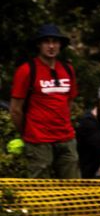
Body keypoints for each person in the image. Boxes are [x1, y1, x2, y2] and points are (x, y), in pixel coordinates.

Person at [9, 24, 79, 178]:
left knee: (74, 189)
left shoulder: (68, 69)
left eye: (55, 41)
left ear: (60, 44)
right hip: (38, 140)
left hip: (66, 137)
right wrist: (26, 134)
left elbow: (69, 102)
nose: (51, 46)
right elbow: (15, 109)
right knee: (40, 191)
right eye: (46, 42)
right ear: (39, 45)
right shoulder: (26, 70)